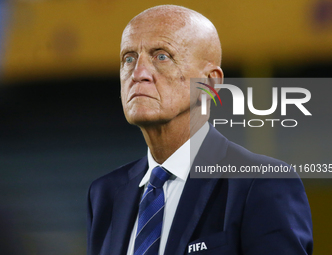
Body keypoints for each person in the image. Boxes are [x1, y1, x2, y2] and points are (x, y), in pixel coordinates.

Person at [87, 5, 313, 255]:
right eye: (128, 58)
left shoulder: (262, 183)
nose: (138, 73)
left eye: (161, 56)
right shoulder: (105, 194)